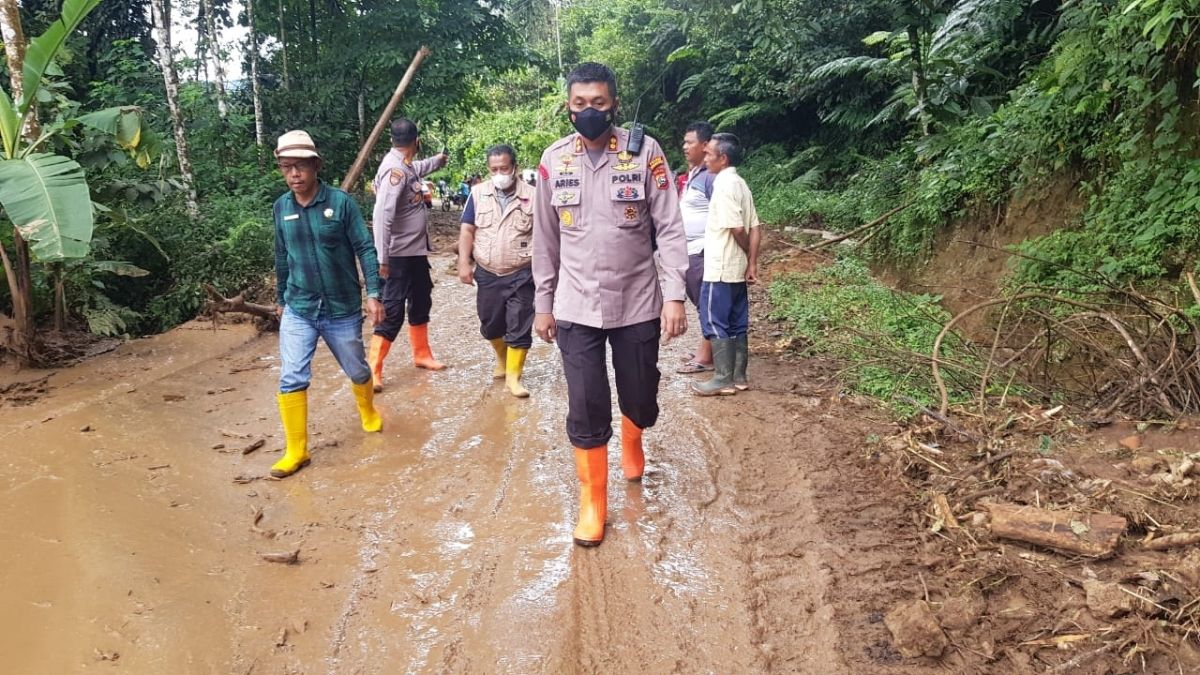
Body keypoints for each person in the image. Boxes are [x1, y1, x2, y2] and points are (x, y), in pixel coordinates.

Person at [533, 62, 688, 547]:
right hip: (575, 304)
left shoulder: (646, 153)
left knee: (638, 395)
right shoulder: (554, 160)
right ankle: (593, 502)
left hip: (637, 301)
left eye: (598, 103)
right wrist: (542, 302)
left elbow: (669, 227)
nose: (589, 111)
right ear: (568, 107)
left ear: (614, 104)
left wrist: (675, 295)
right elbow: (545, 239)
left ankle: (634, 438)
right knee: (586, 403)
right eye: (580, 104)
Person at [270, 130, 384, 478]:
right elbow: (281, 256)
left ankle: (367, 410)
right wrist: (281, 300)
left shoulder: (341, 203)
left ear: (316, 165)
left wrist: (373, 293)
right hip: (299, 306)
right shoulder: (281, 208)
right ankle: (296, 450)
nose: (294, 174)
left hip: (341, 307)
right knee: (292, 375)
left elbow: (365, 248)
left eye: (301, 166)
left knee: (358, 370)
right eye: (287, 167)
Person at [367, 118, 450, 391]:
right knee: (392, 311)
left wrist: (438, 160)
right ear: (417, 140)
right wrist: (382, 259)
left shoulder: (406, 165)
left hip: (415, 253)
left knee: (421, 300)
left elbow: (420, 167)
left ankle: (422, 354)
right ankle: (373, 369)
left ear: (393, 140)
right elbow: (382, 217)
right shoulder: (395, 171)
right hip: (398, 256)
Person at [457, 144, 537, 398]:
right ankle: (502, 358)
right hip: (488, 271)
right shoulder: (478, 193)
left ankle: (514, 378)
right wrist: (463, 262)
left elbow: (546, 235)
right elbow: (467, 230)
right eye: (494, 169)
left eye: (504, 168)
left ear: (515, 167)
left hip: (522, 271)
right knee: (490, 324)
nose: (499, 173)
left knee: (520, 324)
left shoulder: (533, 196)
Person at [693, 132, 762, 396]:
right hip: (737, 269)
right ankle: (739, 376)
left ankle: (722, 379)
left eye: (709, 154)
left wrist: (744, 250)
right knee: (737, 322)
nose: (705, 158)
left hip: (720, 269)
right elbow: (755, 227)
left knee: (714, 320)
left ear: (723, 159)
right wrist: (751, 261)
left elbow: (738, 229)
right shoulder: (741, 184)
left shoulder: (723, 186)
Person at [675, 121, 717, 376]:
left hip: (703, 249)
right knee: (700, 301)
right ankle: (709, 349)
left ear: (705, 145)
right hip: (690, 250)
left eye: (689, 142)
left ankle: (706, 357)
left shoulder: (712, 177)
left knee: (707, 303)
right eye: (684, 142)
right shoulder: (695, 174)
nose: (685, 146)